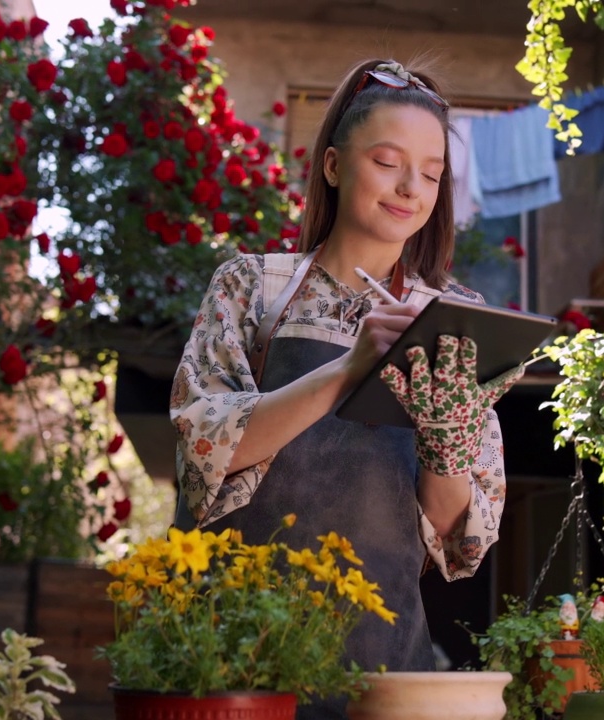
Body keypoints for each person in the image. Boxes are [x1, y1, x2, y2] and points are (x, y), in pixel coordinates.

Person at [169, 58, 523, 718]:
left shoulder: (453, 319)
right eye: (388, 161)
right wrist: (348, 368)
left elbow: (462, 541)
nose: (411, 188)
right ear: (333, 166)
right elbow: (203, 452)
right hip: (234, 656)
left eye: (431, 172)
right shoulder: (253, 288)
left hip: (385, 666)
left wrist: (446, 443)